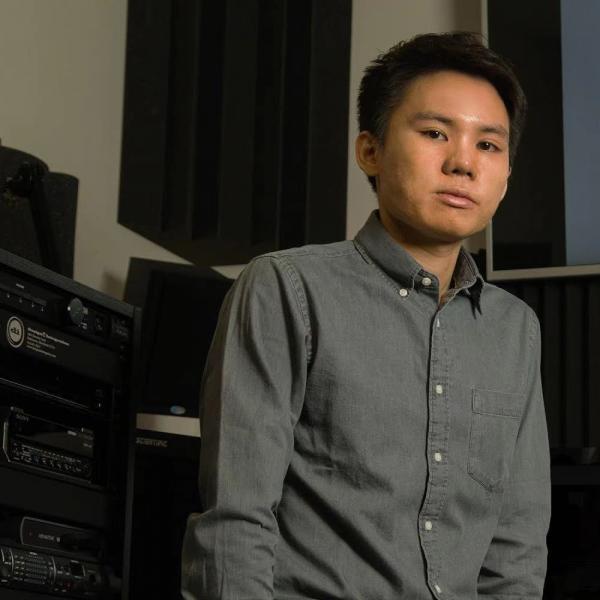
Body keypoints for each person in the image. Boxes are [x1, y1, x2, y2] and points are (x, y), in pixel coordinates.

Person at [182, 32, 551, 600]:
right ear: (369, 151)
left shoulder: (515, 329)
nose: (462, 163)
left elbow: (516, 551)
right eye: (434, 133)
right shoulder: (288, 287)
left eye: (489, 146)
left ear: (506, 175)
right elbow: (236, 520)